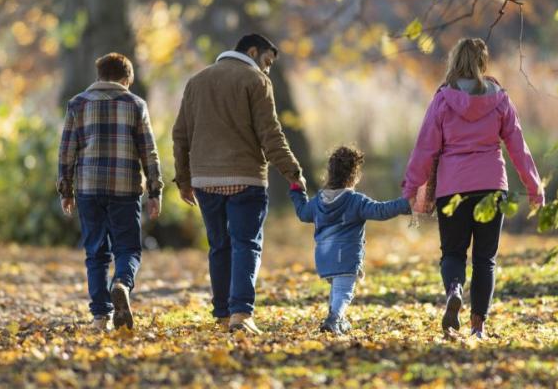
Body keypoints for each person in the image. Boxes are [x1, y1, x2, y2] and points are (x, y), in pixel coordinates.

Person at [402, 38, 544, 338]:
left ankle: (454, 287)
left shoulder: (443, 99)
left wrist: (411, 188)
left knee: (452, 253)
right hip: (492, 186)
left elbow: (424, 148)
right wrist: (534, 185)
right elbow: (518, 146)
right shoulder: (500, 98)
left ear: (455, 61)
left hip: (452, 188)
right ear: (482, 63)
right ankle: (478, 327)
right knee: (485, 259)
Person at [172, 33, 305, 335]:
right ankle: (241, 314)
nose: (267, 69)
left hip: (205, 180)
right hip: (245, 179)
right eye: (267, 62)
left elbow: (180, 135)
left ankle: (221, 315)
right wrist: (292, 171)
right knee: (246, 244)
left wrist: (183, 179)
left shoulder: (197, 81)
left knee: (219, 245)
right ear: (253, 51)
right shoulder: (256, 81)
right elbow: (270, 134)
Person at [57, 53, 163, 332]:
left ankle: (100, 317)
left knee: (95, 252)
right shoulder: (135, 104)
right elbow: (148, 151)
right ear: (127, 78)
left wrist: (65, 189)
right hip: (124, 188)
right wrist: (155, 190)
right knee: (127, 248)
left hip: (89, 189)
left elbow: (67, 150)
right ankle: (122, 283)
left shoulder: (77, 104)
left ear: (99, 76)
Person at [289, 146, 411, 335]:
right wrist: (407, 204)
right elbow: (381, 210)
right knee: (344, 292)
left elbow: (303, 213)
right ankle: (334, 318)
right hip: (346, 256)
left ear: (329, 173)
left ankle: (339, 320)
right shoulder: (355, 201)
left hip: (324, 257)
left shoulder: (318, 201)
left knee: (337, 290)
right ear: (354, 176)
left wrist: (297, 191)